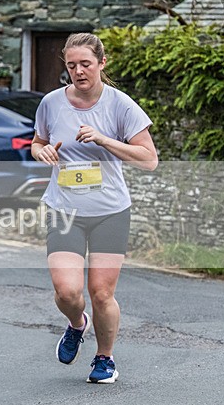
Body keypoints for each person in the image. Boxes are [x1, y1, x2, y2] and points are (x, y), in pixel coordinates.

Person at [31, 32, 158, 384]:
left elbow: (149, 159)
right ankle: (76, 324)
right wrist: (40, 151)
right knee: (67, 291)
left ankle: (105, 358)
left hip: (109, 211)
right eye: (71, 65)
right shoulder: (52, 103)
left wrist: (104, 139)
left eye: (85, 64)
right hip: (65, 208)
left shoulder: (121, 105)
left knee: (101, 293)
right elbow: (37, 141)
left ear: (102, 63)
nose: (78, 71)